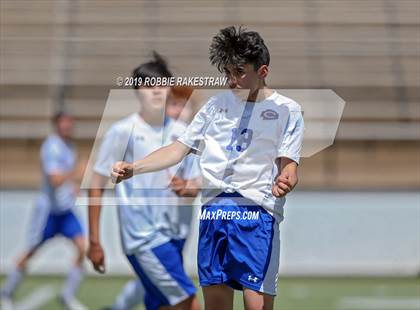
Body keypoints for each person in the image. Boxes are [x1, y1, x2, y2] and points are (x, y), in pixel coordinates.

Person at [110, 26, 305, 310]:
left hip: (256, 216)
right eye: (227, 72)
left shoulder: (288, 110)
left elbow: (289, 167)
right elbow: (178, 148)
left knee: (257, 306)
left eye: (240, 72)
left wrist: (286, 179)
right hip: (214, 214)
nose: (232, 80)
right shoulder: (216, 106)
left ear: (262, 72)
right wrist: (134, 167)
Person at [87, 52, 201, 310]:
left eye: (161, 84)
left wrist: (187, 189)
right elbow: (96, 185)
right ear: (137, 91)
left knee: (161, 304)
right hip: (144, 237)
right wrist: (94, 241)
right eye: (149, 85)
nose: (156, 91)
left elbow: (194, 184)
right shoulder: (122, 132)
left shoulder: (183, 133)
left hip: (177, 234)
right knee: (188, 302)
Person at [0, 112, 87, 310]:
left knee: (83, 248)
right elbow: (55, 180)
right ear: (56, 125)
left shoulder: (69, 147)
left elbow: (64, 181)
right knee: (30, 252)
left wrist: (73, 186)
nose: (67, 127)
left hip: (66, 210)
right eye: (64, 123)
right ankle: (6, 293)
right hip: (48, 211)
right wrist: (76, 172)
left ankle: (67, 295)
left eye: (70, 123)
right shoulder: (51, 147)